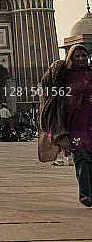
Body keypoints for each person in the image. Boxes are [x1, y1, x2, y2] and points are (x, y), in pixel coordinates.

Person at [38, 43, 92, 207]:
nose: (81, 59)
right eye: (77, 56)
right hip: (75, 123)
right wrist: (58, 66)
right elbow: (46, 83)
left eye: (84, 55)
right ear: (70, 58)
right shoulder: (64, 76)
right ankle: (85, 194)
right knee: (82, 158)